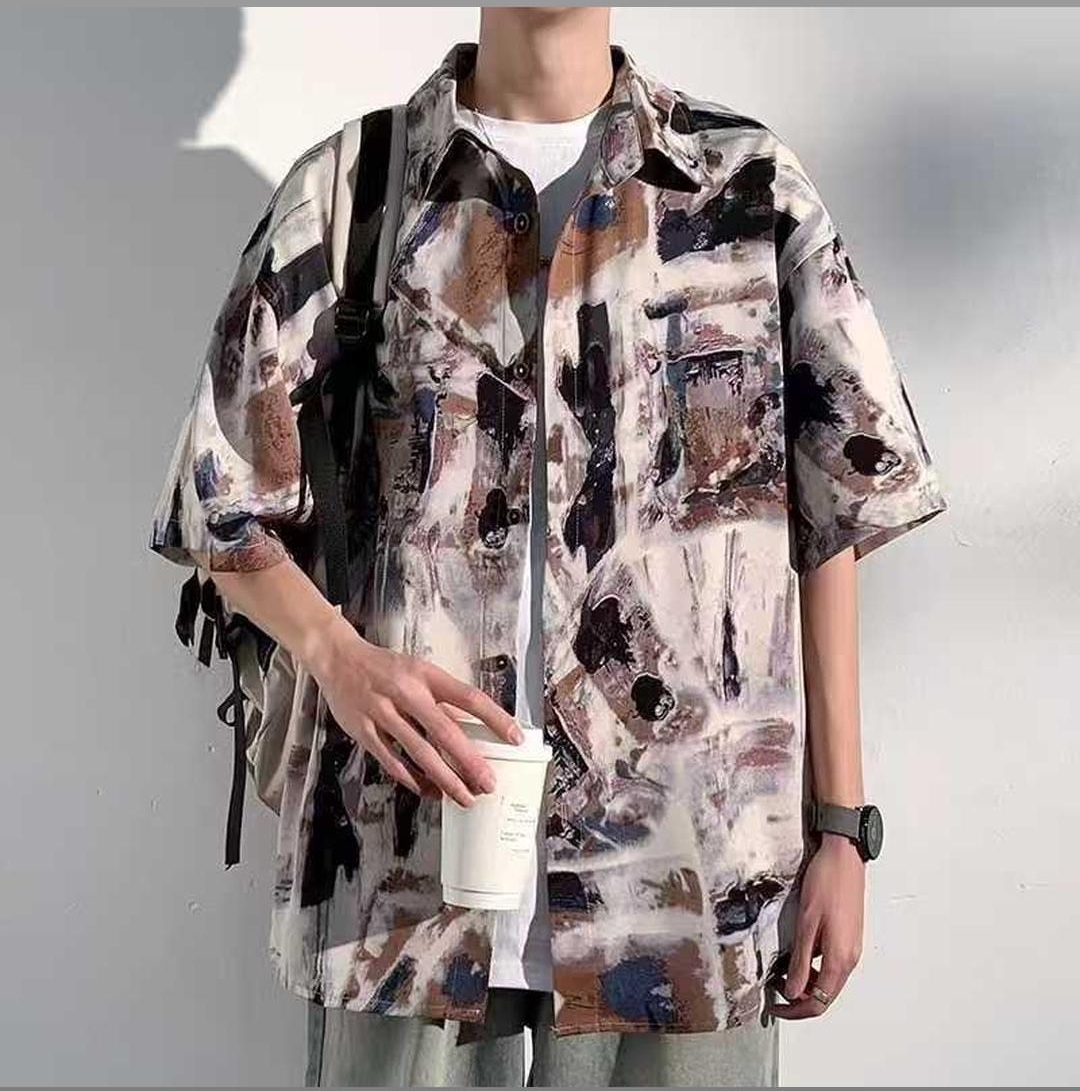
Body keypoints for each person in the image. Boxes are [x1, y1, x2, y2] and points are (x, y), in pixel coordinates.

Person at [148, 6, 948, 1087]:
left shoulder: (744, 188)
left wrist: (842, 828)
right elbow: (218, 499)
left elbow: (833, 505)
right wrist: (339, 658)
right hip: (405, 879)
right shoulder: (357, 189)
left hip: (690, 881)